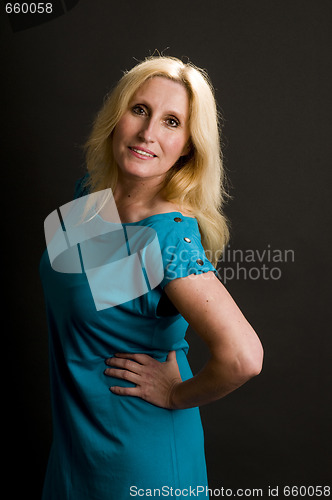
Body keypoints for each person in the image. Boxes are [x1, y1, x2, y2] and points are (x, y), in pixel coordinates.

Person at [40, 55, 263, 499]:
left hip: (140, 462)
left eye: (172, 122)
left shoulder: (168, 237)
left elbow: (243, 357)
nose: (148, 133)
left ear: (188, 147)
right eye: (140, 110)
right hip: (76, 449)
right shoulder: (92, 195)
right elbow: (102, 307)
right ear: (116, 115)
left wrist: (176, 395)